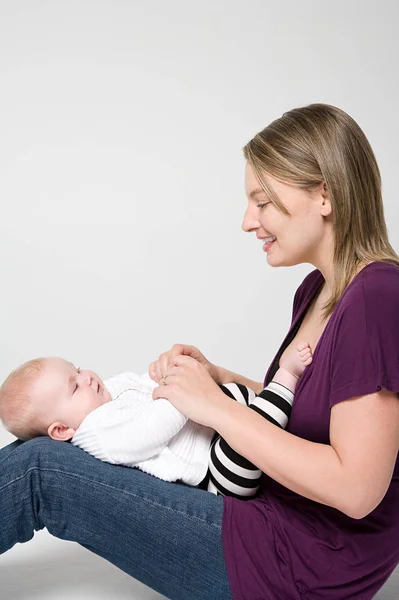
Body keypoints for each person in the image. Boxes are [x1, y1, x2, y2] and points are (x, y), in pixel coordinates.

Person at [1, 103, 398, 600]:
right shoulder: (318, 290)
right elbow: (312, 412)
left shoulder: (377, 294)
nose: (247, 221)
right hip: (262, 511)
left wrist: (213, 407)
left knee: (42, 470)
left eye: (263, 201)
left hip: (299, 562)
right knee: (46, 442)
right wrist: (214, 376)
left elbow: (358, 490)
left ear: (324, 194)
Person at [0, 343, 312, 499]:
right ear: (63, 430)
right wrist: (186, 394)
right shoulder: (97, 434)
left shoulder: (109, 389)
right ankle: (287, 378)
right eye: (74, 386)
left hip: (218, 428)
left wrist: (166, 373)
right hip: (215, 475)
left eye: (77, 369)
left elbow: (147, 386)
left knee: (236, 401)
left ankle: (287, 407)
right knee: (244, 444)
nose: (87, 378)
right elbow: (150, 431)